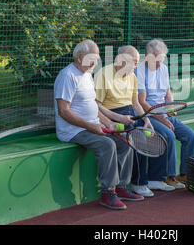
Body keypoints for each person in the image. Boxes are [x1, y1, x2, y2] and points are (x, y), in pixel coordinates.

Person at [54, 39, 144, 210]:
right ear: (79, 57)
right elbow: (63, 111)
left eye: (97, 58)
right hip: (73, 131)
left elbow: (93, 106)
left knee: (125, 139)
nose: (96, 62)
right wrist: (91, 126)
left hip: (92, 125)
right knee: (107, 144)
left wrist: (109, 121)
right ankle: (108, 193)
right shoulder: (67, 76)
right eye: (92, 58)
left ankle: (122, 186)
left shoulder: (87, 74)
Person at [94, 45, 169, 197]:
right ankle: (137, 184)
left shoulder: (133, 77)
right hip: (111, 117)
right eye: (134, 62)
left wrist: (147, 120)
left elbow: (136, 104)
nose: (136, 66)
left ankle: (129, 184)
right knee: (138, 141)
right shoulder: (102, 74)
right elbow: (96, 105)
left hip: (131, 115)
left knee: (149, 136)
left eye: (137, 62)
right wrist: (116, 119)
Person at [136, 38, 194, 188]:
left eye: (161, 60)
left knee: (189, 135)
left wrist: (171, 108)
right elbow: (142, 102)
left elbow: (168, 93)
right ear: (146, 55)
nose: (158, 64)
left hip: (163, 114)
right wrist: (162, 119)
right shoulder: (139, 71)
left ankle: (184, 174)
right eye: (155, 61)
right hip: (148, 116)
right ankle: (166, 177)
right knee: (168, 134)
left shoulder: (163, 68)